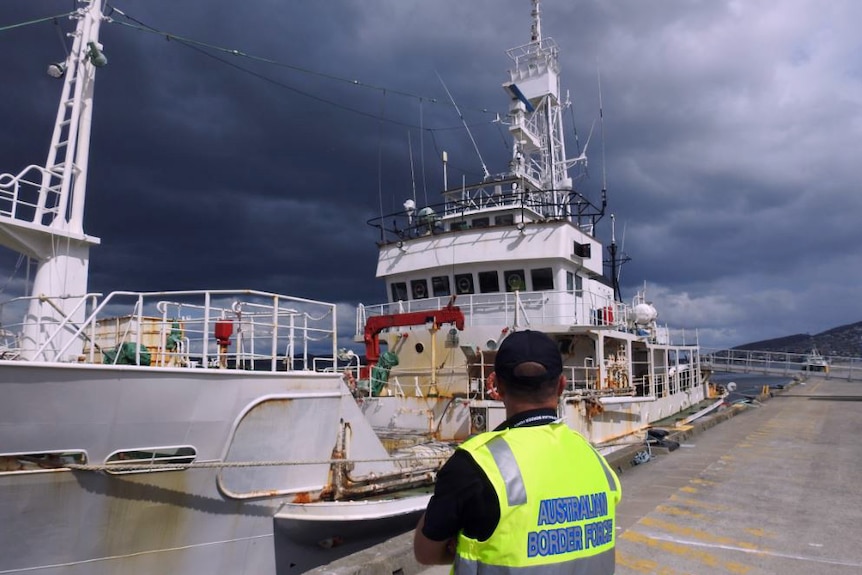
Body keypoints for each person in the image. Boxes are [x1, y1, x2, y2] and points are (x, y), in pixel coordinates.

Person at [414, 329, 621, 573]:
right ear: (561, 385)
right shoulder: (594, 458)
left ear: (497, 386)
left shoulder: (474, 463)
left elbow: (426, 553)